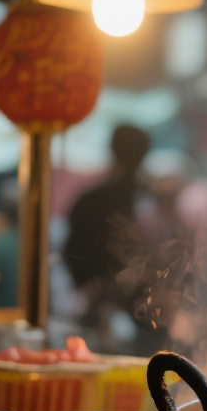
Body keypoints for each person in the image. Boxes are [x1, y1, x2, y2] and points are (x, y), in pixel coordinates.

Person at [63, 124, 151, 316]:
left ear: (112, 149)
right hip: (143, 306)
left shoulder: (90, 200)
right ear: (145, 153)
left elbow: (72, 252)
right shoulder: (151, 199)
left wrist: (89, 286)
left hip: (97, 303)